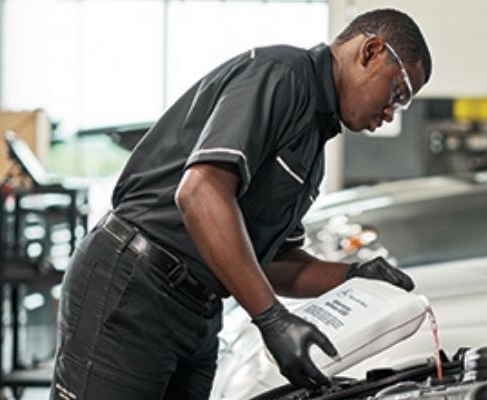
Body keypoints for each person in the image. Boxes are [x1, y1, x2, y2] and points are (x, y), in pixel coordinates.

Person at [50, 8, 431, 400]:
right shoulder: (282, 75)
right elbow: (199, 193)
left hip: (197, 310)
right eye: (396, 94)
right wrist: (272, 318)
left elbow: (271, 261)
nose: (389, 113)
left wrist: (351, 275)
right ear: (370, 50)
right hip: (135, 287)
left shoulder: (314, 142)